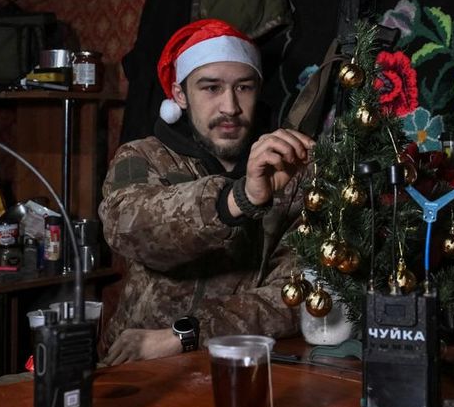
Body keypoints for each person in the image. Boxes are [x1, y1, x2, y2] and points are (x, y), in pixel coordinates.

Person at [99, 19, 314, 365]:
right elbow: (128, 230)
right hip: (142, 367)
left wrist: (189, 333)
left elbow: (298, 294)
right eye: (211, 88)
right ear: (180, 95)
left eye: (243, 87)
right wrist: (237, 199)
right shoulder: (141, 157)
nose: (229, 107)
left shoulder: (289, 169)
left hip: (246, 364)